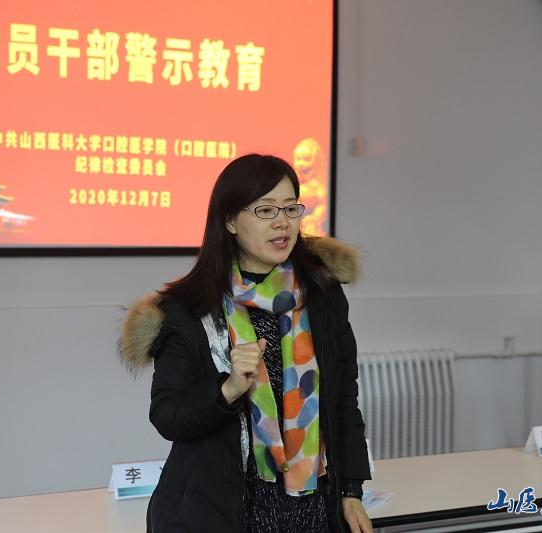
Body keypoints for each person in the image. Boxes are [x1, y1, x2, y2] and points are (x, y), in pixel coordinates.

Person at [119, 154, 373, 532]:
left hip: (313, 510)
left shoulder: (322, 294)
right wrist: (229, 389)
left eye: (290, 208)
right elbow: (169, 416)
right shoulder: (189, 310)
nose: (282, 222)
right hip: (223, 513)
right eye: (265, 210)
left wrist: (352, 490)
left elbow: (343, 401)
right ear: (230, 221)